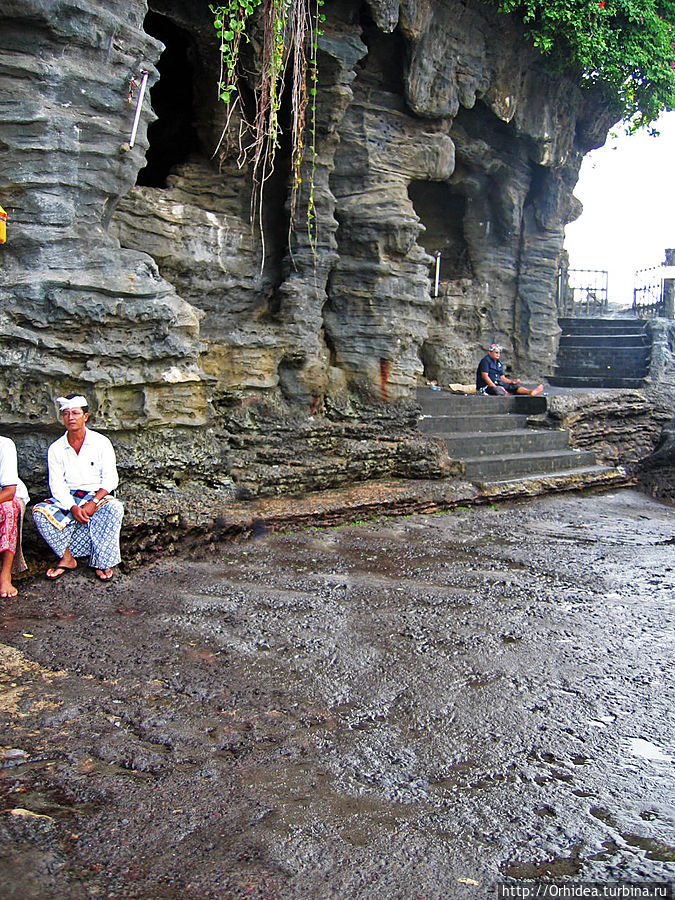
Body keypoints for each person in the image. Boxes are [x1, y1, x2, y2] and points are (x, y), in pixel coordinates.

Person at [32, 395, 124, 582]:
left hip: (97, 496)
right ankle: (67, 559)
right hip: (69, 497)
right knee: (39, 512)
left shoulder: (101, 442)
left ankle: (102, 561)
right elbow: (56, 485)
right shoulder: (56, 448)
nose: (70, 417)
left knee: (114, 508)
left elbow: (110, 479)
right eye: (66, 414)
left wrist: (94, 502)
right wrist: (72, 507)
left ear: (86, 416)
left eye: (75, 413)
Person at [0, 435, 29, 598]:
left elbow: (9, 492)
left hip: (7, 497)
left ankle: (5, 575)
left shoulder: (4, 444)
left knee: (8, 509)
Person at [476, 344, 544, 396]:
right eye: (496, 353)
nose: (498, 355)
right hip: (486, 386)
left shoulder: (499, 363)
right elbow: (485, 376)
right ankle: (506, 393)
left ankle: (530, 392)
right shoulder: (485, 361)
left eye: (499, 353)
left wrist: (512, 382)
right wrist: (495, 386)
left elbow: (502, 378)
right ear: (490, 353)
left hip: (499, 384)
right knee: (497, 390)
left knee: (514, 387)